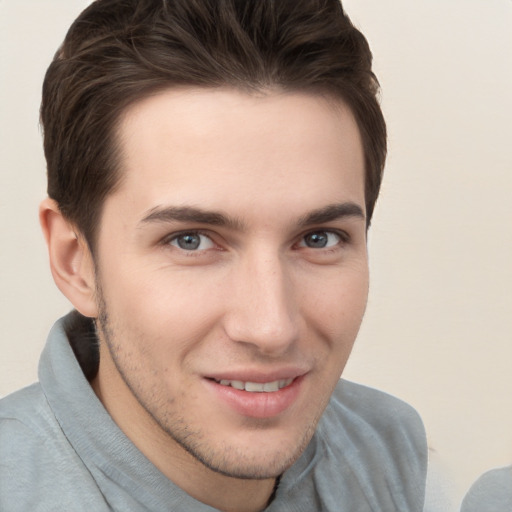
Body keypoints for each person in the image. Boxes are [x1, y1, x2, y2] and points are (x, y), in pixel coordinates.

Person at [0, 0, 428, 510]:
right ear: (76, 262)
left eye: (319, 238)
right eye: (192, 240)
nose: (271, 328)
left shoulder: (385, 445)